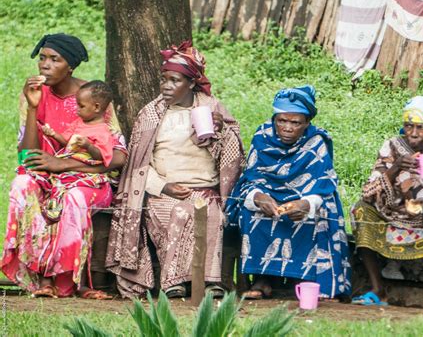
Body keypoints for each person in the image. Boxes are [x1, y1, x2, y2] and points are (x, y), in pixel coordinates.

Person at [105, 41, 245, 299]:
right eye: (164, 80)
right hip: (163, 192)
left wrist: (221, 132)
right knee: (180, 211)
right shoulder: (151, 114)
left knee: (209, 213)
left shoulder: (212, 109)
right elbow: (137, 166)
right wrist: (163, 186)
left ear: (191, 83)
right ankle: (173, 282)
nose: (166, 86)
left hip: (205, 190)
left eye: (174, 80)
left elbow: (233, 158)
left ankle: (208, 281)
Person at [0, 33, 127, 299]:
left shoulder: (92, 98)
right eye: (42, 58)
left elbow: (117, 157)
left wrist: (62, 164)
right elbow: (27, 156)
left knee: (72, 198)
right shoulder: (33, 95)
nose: (44, 65)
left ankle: (69, 282)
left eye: (54, 59)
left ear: (70, 66)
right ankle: (38, 278)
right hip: (46, 175)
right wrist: (34, 107)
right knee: (22, 184)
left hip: (86, 179)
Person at [225, 85, 352, 300]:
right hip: (268, 196)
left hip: (302, 199)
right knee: (250, 213)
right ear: (274, 118)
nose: (287, 128)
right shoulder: (262, 136)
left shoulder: (316, 142)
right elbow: (251, 176)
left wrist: (307, 204)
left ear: (307, 123)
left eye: (296, 123)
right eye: (282, 120)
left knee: (320, 213)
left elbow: (323, 183)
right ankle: (263, 278)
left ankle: (302, 278)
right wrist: (258, 197)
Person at [350, 96, 423, 314]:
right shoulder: (392, 145)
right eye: (408, 126)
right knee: (360, 209)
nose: (413, 133)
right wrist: (394, 168)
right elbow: (368, 192)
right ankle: (378, 290)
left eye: (420, 128)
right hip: (392, 214)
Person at [23, 80, 116, 223]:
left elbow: (102, 156)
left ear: (97, 107)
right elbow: (67, 142)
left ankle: (55, 208)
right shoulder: (78, 123)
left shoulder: (103, 131)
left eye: (81, 106)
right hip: (67, 161)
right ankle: (52, 204)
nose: (77, 110)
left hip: (85, 168)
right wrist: (53, 134)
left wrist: (88, 146)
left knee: (70, 186)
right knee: (47, 178)